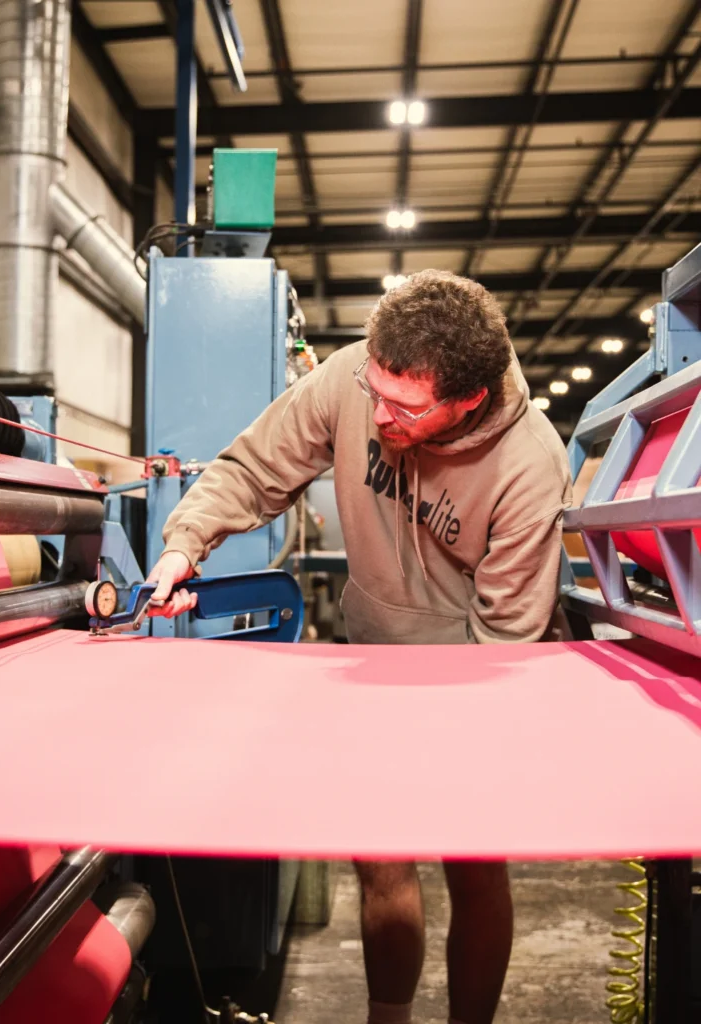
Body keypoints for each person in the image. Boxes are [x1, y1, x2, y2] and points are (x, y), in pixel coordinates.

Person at [147, 269, 573, 1024]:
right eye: (373, 389)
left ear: (466, 400)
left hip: (476, 681)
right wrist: (185, 545)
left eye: (403, 407)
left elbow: (506, 639)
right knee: (380, 855)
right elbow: (253, 468)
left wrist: (452, 748)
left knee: (474, 869)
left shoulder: (529, 465)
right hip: (374, 665)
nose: (377, 415)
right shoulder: (354, 377)